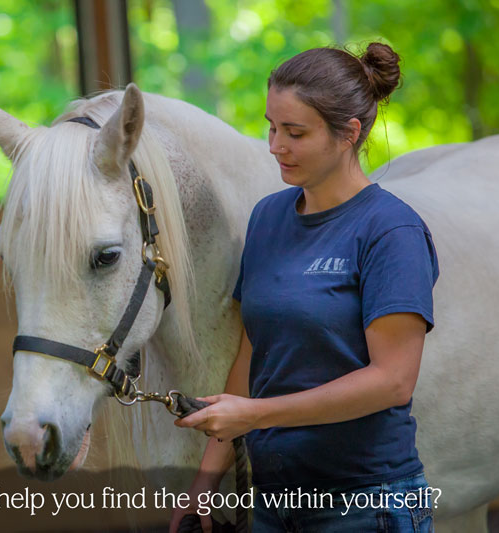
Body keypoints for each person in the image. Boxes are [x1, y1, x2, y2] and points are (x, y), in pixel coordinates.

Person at [169, 42, 438, 533]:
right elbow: (253, 357)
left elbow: (393, 380)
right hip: (273, 506)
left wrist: (255, 417)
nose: (275, 145)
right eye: (272, 127)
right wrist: (202, 491)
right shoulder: (268, 217)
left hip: (365, 505)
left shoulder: (390, 231)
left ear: (348, 134)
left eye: (295, 132)